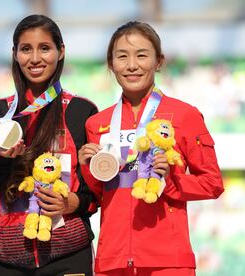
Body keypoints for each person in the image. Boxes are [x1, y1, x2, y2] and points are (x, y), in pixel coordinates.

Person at [78, 21, 224, 276]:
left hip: (168, 262)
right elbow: (102, 194)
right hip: (113, 261)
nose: (132, 65)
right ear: (111, 64)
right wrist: (88, 167)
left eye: (142, 55)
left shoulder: (184, 116)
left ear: (159, 61)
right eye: (122, 56)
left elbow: (212, 183)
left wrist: (170, 181)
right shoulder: (97, 124)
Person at [0, 14, 98, 275]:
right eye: (25, 49)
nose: (34, 58)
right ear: (15, 54)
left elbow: (95, 190)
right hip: (5, 255)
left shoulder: (82, 110)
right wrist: (1, 158)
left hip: (68, 252)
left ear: (61, 51)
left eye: (45, 48)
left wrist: (73, 202)